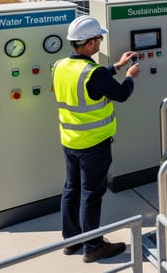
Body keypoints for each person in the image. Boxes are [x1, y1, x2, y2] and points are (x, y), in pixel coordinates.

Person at [52, 15, 140, 263]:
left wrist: (117, 65)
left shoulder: (59, 66)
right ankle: (93, 246)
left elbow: (92, 82)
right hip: (94, 144)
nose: (101, 41)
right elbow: (121, 94)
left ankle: (72, 240)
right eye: (99, 38)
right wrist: (131, 75)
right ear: (89, 43)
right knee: (91, 194)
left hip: (70, 141)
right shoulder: (93, 72)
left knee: (71, 189)